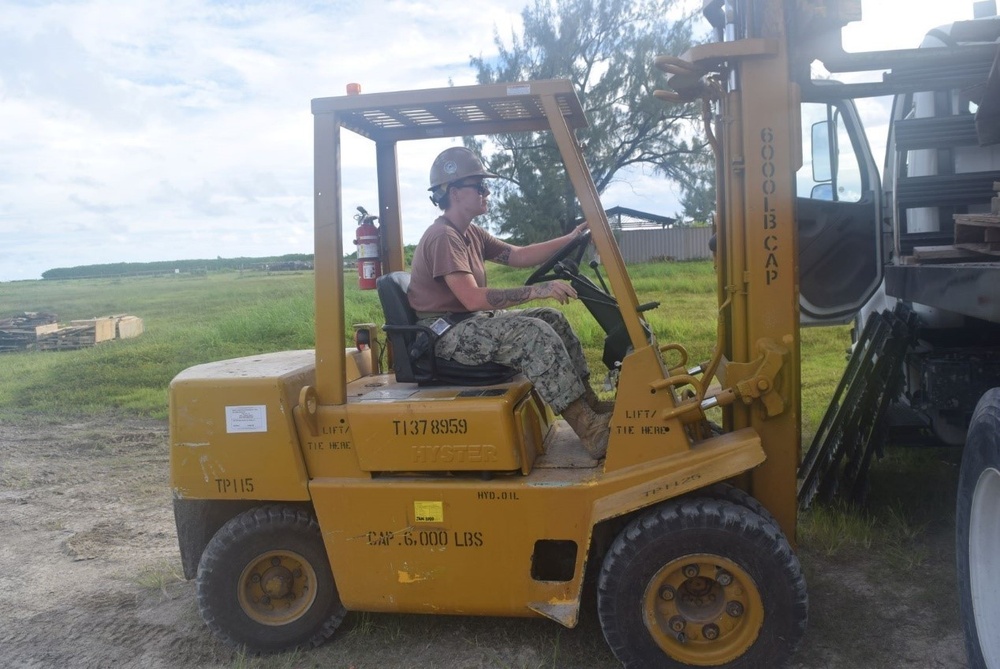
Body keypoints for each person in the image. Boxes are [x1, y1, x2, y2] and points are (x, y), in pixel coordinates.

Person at [407, 147, 612, 459]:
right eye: (479, 186)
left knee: (550, 319)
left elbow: (518, 255)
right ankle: (589, 430)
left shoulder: (470, 233)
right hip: (443, 334)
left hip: (469, 322)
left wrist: (572, 237)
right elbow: (472, 297)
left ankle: (589, 404)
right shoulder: (443, 237)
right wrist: (539, 289)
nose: (486, 192)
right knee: (532, 334)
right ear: (454, 192)